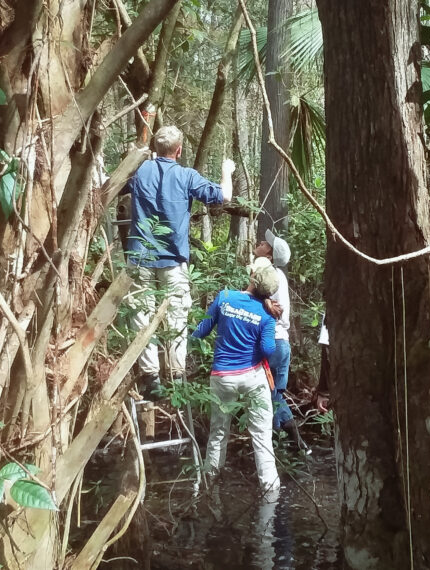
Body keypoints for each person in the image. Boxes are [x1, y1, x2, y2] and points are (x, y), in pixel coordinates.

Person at [123, 126, 234, 395]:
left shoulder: (139, 172)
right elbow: (224, 196)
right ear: (179, 150)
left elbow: (105, 183)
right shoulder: (186, 176)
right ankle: (175, 375)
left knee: (141, 317)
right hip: (172, 259)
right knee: (176, 317)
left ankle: (150, 378)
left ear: (154, 149)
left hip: (140, 257)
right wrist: (226, 171)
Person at [192, 263, 282, 494]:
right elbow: (268, 349)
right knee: (262, 435)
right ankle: (270, 489)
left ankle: (210, 484)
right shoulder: (267, 315)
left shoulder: (225, 297)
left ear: (252, 277)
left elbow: (201, 331)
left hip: (222, 377)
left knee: (219, 432)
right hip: (252, 377)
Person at [253, 230, 309, 453]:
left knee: (268, 395)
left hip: (271, 342)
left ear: (268, 256)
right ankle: (295, 445)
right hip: (282, 344)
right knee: (274, 394)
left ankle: (278, 447)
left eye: (265, 244)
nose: (261, 242)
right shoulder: (279, 276)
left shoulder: (265, 274)